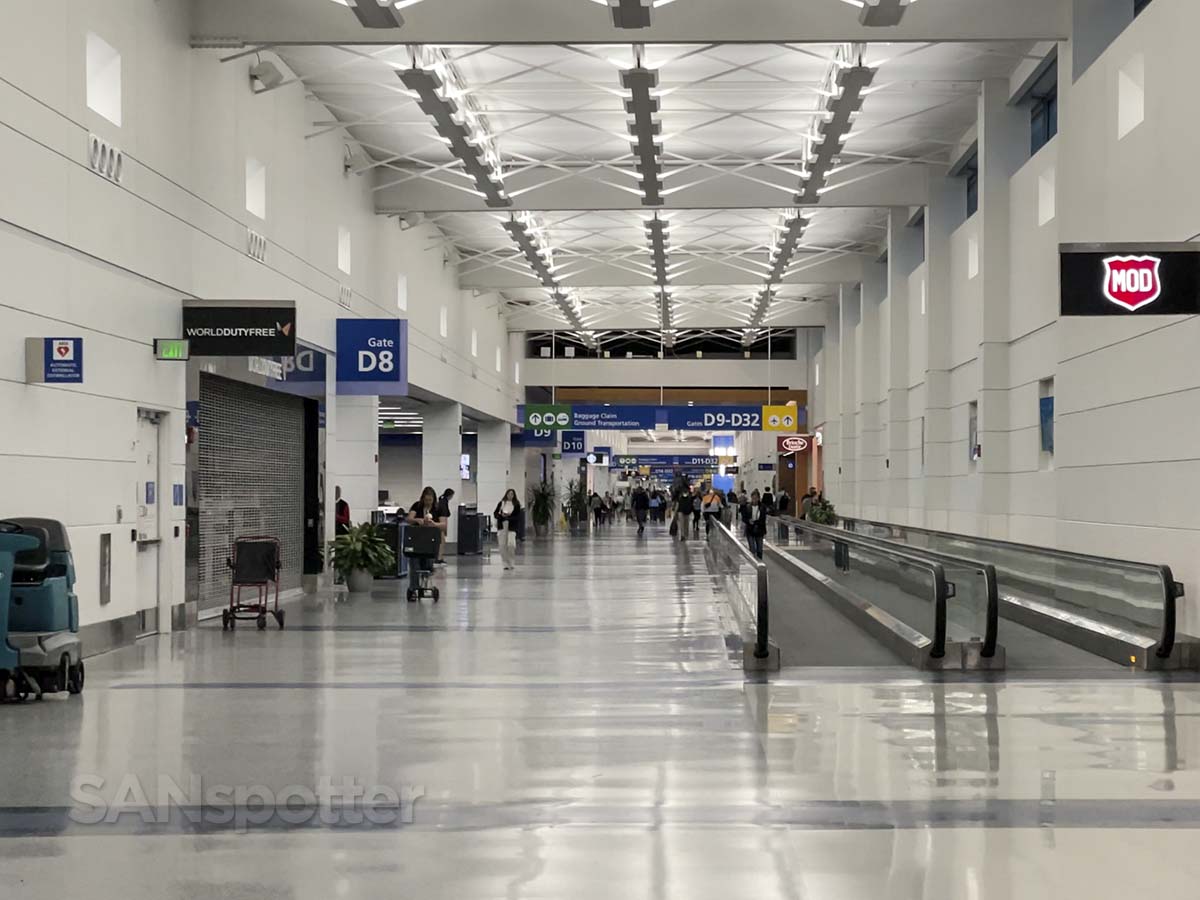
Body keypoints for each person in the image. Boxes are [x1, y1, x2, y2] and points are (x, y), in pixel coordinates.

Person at [406, 486, 443, 594]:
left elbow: (444, 525)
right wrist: (418, 520)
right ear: (422, 499)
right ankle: (414, 588)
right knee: (414, 563)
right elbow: (409, 519)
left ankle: (425, 577)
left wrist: (434, 524)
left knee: (427, 564)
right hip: (417, 539)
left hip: (431, 541)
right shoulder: (417, 506)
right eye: (426, 500)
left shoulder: (438, 509)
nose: (428, 503)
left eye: (430, 500)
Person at [493, 488, 521, 570]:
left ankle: (511, 561)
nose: (510, 495)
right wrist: (501, 516)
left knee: (511, 544)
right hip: (502, 526)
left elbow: (517, 516)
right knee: (502, 545)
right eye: (509, 494)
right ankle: (505, 563)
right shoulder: (501, 503)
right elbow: (495, 513)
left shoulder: (516, 504)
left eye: (512, 494)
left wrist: (509, 517)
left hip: (511, 527)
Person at [741, 489, 768, 559]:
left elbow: (763, 518)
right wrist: (748, 521)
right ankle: (754, 563)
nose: (754, 500)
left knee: (759, 549)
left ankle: (760, 563)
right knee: (752, 549)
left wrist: (755, 522)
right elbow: (744, 518)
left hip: (759, 530)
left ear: (759, 498)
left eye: (756, 498)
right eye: (753, 498)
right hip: (750, 530)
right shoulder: (747, 507)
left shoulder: (762, 507)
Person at [434, 488, 455, 565]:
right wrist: (445, 528)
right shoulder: (443, 503)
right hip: (440, 524)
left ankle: (440, 557)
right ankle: (439, 558)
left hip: (439, 523)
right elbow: (444, 515)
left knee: (441, 541)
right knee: (442, 541)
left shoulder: (442, 500)